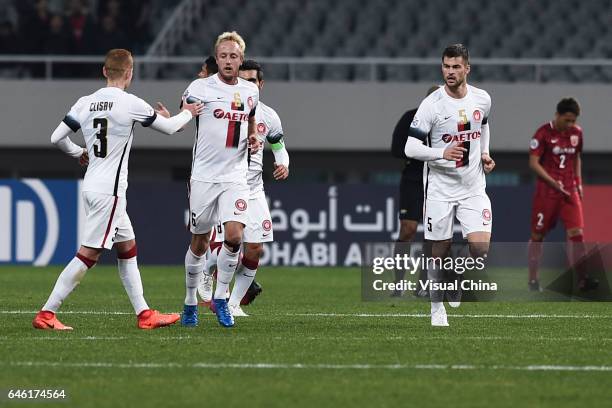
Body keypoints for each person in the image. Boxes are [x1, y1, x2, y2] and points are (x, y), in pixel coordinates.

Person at [32, 48, 203, 330]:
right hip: (109, 192)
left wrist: (78, 153)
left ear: (104, 72)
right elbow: (171, 128)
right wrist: (187, 113)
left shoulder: (85, 102)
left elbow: (56, 137)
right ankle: (47, 313)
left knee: (127, 248)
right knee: (90, 254)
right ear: (129, 73)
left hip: (93, 186)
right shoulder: (130, 103)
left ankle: (145, 314)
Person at [404, 44, 495, 326]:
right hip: (440, 189)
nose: (450, 72)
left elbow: (483, 126)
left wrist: (484, 153)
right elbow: (410, 147)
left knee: (480, 249)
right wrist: (440, 153)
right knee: (438, 249)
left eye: (456, 67)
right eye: (446, 66)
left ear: (467, 68)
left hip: (473, 187)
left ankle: (455, 275)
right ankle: (436, 308)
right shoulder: (432, 104)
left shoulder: (482, 99)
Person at [180, 31, 260, 328]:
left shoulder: (251, 93)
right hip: (203, 176)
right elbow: (185, 114)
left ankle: (222, 298)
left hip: (235, 176)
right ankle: (190, 301)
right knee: (199, 242)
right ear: (217, 59)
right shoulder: (200, 87)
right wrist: (174, 120)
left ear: (241, 60)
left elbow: (250, 117)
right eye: (223, 56)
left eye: (234, 56)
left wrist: (252, 134)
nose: (228, 61)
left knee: (235, 236)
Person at [198, 59, 290, 317]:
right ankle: (209, 272)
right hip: (226, 184)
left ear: (260, 84)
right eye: (244, 80)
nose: (248, 84)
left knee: (255, 248)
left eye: (252, 81)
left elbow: (279, 146)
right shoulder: (230, 107)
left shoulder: (270, 116)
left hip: (254, 188)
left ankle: (233, 304)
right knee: (230, 243)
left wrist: (283, 163)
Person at [527, 97, 598, 292]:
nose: (570, 124)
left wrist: (579, 183)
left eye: (573, 120)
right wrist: (552, 182)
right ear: (557, 115)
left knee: (577, 234)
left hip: (569, 190)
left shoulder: (577, 133)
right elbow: (533, 163)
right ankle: (533, 279)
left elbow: (576, 158)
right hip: (547, 192)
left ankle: (583, 279)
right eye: (567, 119)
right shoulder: (543, 133)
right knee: (537, 236)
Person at [390, 85, 439, 298]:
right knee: (408, 229)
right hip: (413, 178)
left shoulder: (448, 122)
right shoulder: (411, 118)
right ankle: (398, 284)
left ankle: (422, 285)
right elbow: (396, 148)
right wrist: (423, 153)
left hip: (438, 180)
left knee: (432, 233)